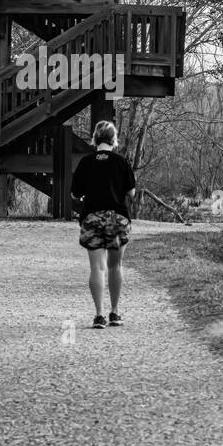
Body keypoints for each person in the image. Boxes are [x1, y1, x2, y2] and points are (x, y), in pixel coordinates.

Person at [70, 120, 136, 329]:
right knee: (115, 266)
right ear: (114, 139)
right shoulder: (121, 161)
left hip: (92, 219)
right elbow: (131, 193)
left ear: (95, 139)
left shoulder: (86, 162)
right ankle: (115, 312)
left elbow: (75, 193)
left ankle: (99, 315)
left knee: (97, 268)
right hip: (117, 219)